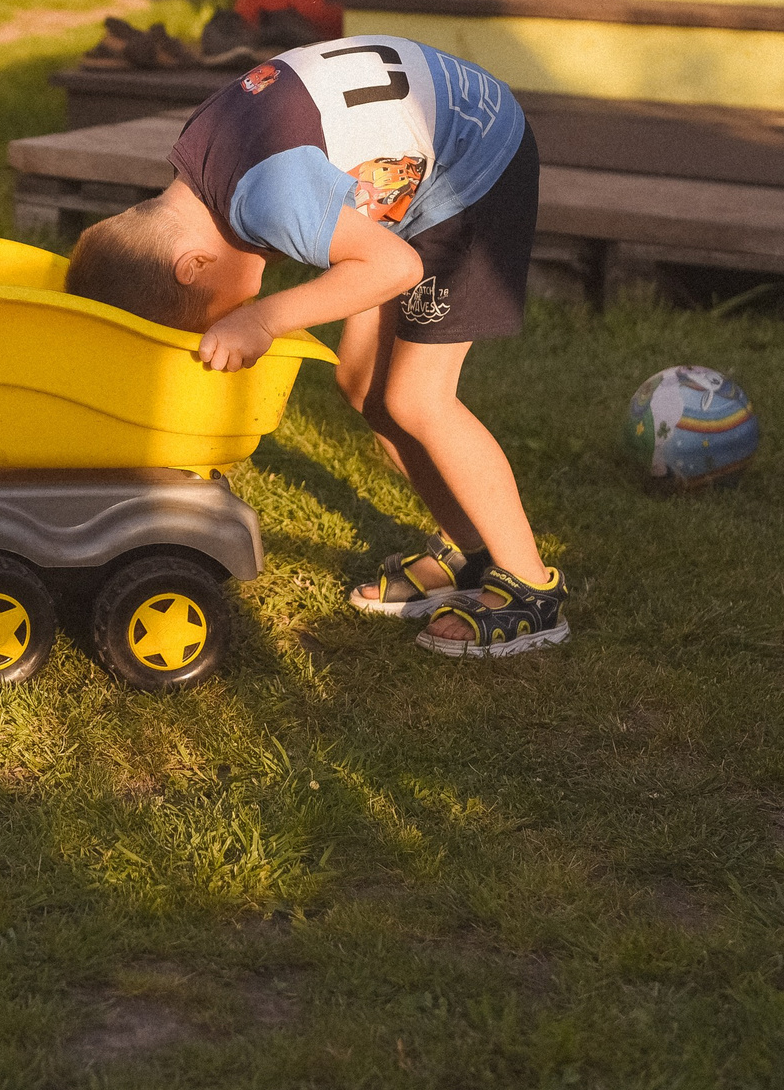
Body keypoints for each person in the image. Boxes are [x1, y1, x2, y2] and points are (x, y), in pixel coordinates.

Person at [62, 35, 566, 657]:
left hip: (475, 168)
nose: (232, 316)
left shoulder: (268, 196)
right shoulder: (197, 162)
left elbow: (396, 268)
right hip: (422, 153)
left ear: (192, 266)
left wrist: (264, 320)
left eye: (217, 315)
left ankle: (530, 589)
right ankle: (468, 546)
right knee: (362, 386)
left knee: (417, 399)